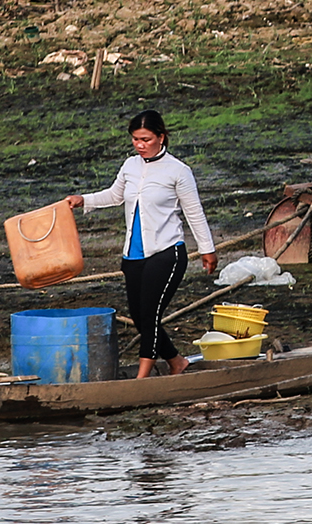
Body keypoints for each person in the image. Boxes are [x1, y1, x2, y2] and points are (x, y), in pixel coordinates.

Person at [67, 110, 215, 379]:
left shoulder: (178, 171)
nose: (140, 145)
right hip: (133, 255)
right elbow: (115, 195)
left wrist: (208, 249)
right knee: (139, 317)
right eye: (135, 139)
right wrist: (84, 199)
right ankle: (177, 361)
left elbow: (194, 211)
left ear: (161, 137)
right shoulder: (130, 166)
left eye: (146, 139)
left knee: (150, 313)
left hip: (167, 252)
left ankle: (142, 377)